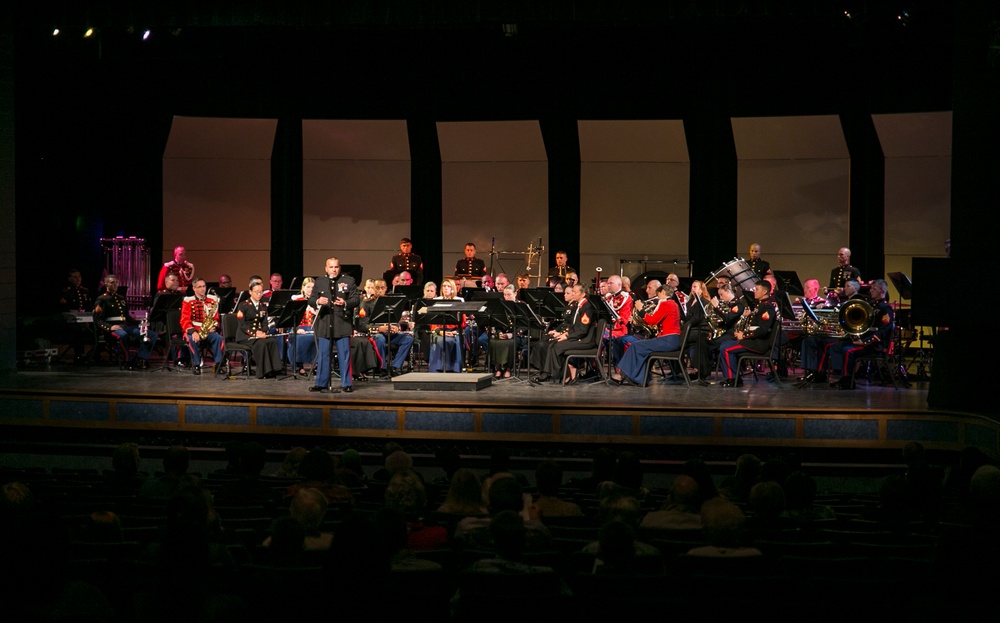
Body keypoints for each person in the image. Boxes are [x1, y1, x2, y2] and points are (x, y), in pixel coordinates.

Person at [827, 278, 895, 389]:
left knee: (848, 350)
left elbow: (882, 332)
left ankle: (848, 381)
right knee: (836, 347)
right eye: (871, 288)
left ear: (882, 291)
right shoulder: (871, 305)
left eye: (874, 288)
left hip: (874, 345)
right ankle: (842, 376)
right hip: (862, 340)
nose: (871, 291)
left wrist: (864, 342)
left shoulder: (885, 309)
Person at [611, 284, 683, 386]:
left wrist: (641, 309)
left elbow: (652, 321)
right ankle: (640, 378)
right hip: (671, 339)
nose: (658, 298)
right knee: (639, 346)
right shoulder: (673, 304)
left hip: (668, 340)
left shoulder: (666, 304)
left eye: (658, 295)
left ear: (663, 292)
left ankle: (624, 375)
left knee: (636, 345)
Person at [309, 257, 360, 393]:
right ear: (326, 269)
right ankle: (321, 383)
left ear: (339, 268)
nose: (334, 269)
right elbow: (311, 299)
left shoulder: (348, 281)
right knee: (323, 354)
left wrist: (345, 303)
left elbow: (356, 298)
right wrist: (318, 301)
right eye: (331, 267)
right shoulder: (320, 282)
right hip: (325, 322)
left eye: (336, 267)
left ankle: (346, 383)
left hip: (342, 322)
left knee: (344, 354)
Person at [531, 284, 596, 384]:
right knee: (553, 343)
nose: (573, 294)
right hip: (577, 335)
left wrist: (567, 335)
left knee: (556, 346)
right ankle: (564, 373)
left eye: (575, 292)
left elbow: (582, 330)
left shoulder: (587, 307)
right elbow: (574, 326)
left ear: (583, 294)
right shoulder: (579, 305)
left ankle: (566, 374)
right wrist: (564, 333)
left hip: (585, 340)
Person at [717, 280, 778, 387]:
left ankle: (733, 379)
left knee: (725, 349)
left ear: (764, 292)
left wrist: (743, 335)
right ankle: (735, 377)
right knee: (724, 345)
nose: (754, 291)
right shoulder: (760, 305)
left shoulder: (767, 307)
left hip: (759, 343)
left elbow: (762, 330)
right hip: (753, 340)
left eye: (757, 289)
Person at [94, 274, 158, 369]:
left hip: (125, 326)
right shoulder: (102, 299)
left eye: (116, 282)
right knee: (123, 335)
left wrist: (141, 323)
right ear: (106, 284)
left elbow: (127, 317)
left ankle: (141, 358)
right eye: (112, 283)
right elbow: (98, 320)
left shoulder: (121, 298)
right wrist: (110, 327)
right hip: (112, 328)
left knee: (151, 335)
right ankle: (128, 360)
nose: (115, 285)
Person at [357, 276, 414, 375]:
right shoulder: (366, 304)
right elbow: (362, 325)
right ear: (373, 289)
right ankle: (382, 367)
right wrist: (379, 328)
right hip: (374, 334)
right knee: (380, 338)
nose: (380, 290)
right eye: (377, 288)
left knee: (408, 339)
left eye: (382, 288)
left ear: (386, 288)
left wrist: (396, 327)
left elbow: (396, 319)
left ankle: (395, 366)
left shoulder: (393, 302)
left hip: (390, 333)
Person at [235, 282, 283, 379]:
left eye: (260, 292)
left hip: (259, 334)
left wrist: (264, 331)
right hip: (245, 335)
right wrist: (255, 333)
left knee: (272, 341)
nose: (259, 294)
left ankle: (275, 369)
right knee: (261, 343)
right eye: (256, 292)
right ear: (250, 292)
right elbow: (242, 325)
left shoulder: (263, 306)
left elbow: (265, 322)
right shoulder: (243, 305)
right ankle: (264, 371)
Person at [180, 278, 223, 375]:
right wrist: (193, 332)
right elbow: (184, 320)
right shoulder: (188, 301)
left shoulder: (212, 300)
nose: (203, 289)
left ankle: (218, 364)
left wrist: (214, 327)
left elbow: (216, 318)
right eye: (200, 287)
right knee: (192, 339)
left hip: (208, 330)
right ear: (194, 288)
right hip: (193, 330)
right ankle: (196, 364)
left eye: (204, 286)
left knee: (219, 338)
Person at [428, 278, 464, 373]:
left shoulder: (459, 300)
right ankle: (439, 368)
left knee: (456, 340)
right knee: (443, 341)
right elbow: (432, 323)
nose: (446, 288)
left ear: (453, 288)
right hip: (439, 331)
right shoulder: (435, 301)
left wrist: (456, 332)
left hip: (454, 331)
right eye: (444, 286)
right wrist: (440, 332)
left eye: (448, 286)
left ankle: (455, 368)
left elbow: (463, 322)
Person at [290, 278, 318, 376]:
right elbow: (291, 317)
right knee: (300, 338)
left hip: (314, 327)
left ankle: (316, 365)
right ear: (303, 288)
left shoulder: (318, 301)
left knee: (317, 338)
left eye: (312, 287)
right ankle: (298, 366)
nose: (310, 289)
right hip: (298, 327)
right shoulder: (297, 300)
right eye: (308, 287)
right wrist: (297, 329)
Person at [605, 275, 633, 341]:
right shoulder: (608, 298)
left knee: (602, 336)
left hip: (619, 329)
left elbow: (624, 319)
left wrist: (611, 326)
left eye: (611, 283)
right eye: (608, 283)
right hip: (607, 326)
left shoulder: (626, 298)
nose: (608, 285)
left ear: (619, 284)